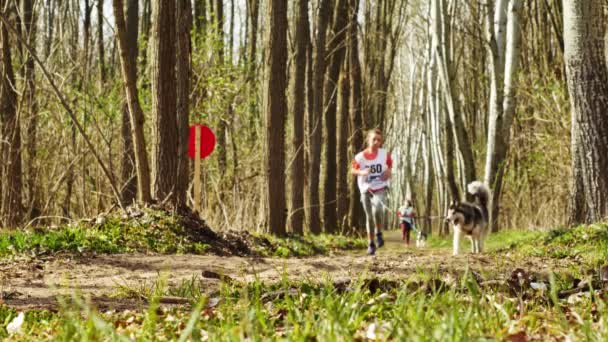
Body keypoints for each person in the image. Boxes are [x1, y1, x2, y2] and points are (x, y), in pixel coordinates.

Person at [351, 128, 392, 255]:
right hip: (365, 189)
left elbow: (390, 165)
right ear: (368, 140)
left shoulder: (384, 154)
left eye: (379, 140)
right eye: (374, 139)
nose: (376, 142)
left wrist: (388, 172)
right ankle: (371, 243)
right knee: (369, 216)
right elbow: (353, 170)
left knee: (378, 210)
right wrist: (362, 172)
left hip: (380, 187)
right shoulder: (360, 157)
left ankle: (379, 233)